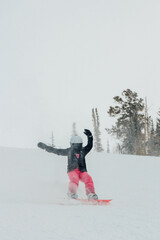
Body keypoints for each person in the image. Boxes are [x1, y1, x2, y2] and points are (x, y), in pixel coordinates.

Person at [37, 129, 98, 200]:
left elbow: (89, 146)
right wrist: (44, 147)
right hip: (72, 171)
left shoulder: (82, 151)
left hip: (82, 171)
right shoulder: (70, 151)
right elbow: (57, 151)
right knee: (74, 179)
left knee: (88, 178)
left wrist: (90, 137)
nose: (77, 146)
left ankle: (91, 193)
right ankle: (72, 193)